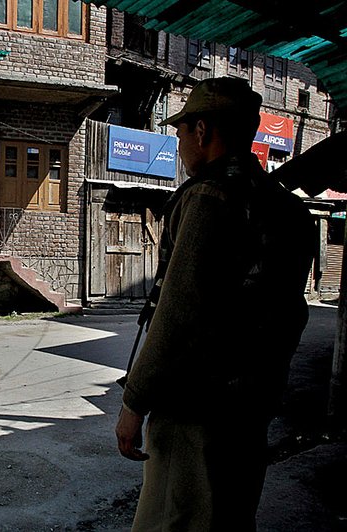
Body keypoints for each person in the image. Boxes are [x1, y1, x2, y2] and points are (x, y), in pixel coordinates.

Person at [115, 77, 317, 531]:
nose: (182, 143)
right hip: (251, 402)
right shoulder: (283, 206)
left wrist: (134, 403)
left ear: (202, 132)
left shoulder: (209, 197)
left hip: (197, 409)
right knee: (230, 512)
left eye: (183, 132)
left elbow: (178, 315)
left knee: (176, 517)